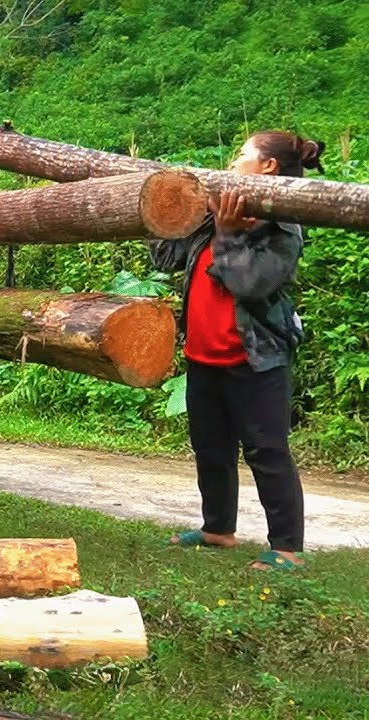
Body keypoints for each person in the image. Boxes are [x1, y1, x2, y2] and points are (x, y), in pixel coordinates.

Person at [150, 130, 325, 571]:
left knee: (267, 451)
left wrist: (229, 236)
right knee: (210, 448)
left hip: (255, 358)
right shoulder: (216, 214)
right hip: (204, 356)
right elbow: (165, 259)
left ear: (268, 167)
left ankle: (287, 547)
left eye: (242, 155)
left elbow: (250, 283)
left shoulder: (283, 225)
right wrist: (171, 211)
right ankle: (217, 529)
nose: (232, 162)